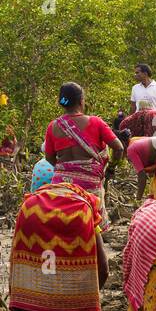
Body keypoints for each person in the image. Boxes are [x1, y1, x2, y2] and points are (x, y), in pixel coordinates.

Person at [8, 180, 109, 311]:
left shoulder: (32, 201)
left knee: (43, 299)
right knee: (81, 304)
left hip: (34, 218)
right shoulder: (86, 203)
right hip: (76, 220)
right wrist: (91, 297)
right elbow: (103, 264)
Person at [44, 82, 125, 221]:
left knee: (60, 222)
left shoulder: (53, 126)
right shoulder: (96, 122)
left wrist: (66, 169)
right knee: (94, 225)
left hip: (60, 183)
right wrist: (110, 168)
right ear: (81, 101)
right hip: (89, 185)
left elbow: (49, 157)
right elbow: (119, 148)